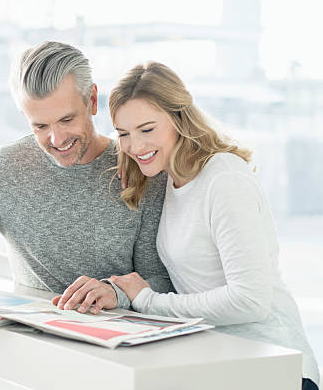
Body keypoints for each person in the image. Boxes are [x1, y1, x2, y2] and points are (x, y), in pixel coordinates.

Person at [57, 61, 319, 389]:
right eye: (124, 133)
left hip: (274, 367)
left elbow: (250, 300)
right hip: (221, 360)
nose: (135, 146)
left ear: (179, 118)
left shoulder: (223, 179)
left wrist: (147, 299)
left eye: (147, 130)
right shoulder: (169, 177)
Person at [0, 41, 174, 314]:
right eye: (40, 126)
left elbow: (160, 279)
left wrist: (116, 293)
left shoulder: (139, 168)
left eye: (66, 120)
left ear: (93, 101)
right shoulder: (4, 169)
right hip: (30, 340)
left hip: (116, 344)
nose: (56, 139)